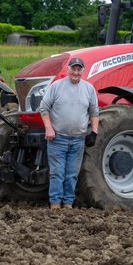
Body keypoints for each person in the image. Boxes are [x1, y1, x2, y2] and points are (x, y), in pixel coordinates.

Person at [39, 57, 99, 210]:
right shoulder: (57, 86)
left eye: (79, 69)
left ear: (83, 71)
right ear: (68, 69)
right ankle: (55, 204)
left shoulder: (88, 89)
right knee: (57, 173)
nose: (76, 72)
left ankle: (68, 204)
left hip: (78, 140)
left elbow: (94, 112)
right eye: (73, 69)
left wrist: (94, 132)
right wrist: (48, 127)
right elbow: (44, 107)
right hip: (57, 138)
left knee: (72, 174)